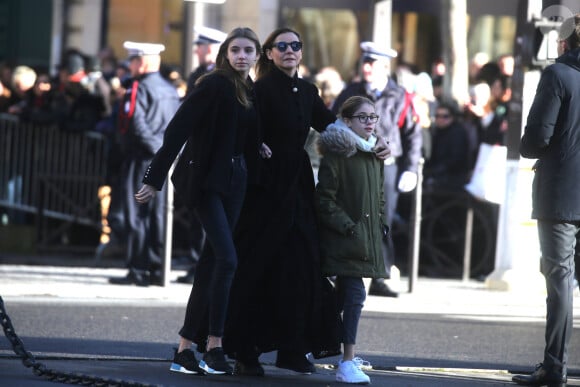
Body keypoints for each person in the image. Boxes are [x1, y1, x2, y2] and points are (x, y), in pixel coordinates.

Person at [134, 27, 262, 375]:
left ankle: (185, 350)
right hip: (206, 181)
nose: (241, 56)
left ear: (257, 55)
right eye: (235, 50)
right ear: (225, 53)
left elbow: (244, 131)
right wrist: (154, 178)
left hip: (235, 180)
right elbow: (177, 130)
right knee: (228, 259)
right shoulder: (213, 84)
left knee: (212, 264)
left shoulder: (247, 87)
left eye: (248, 51)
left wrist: (258, 146)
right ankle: (215, 345)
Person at [511, 14, 580, 387]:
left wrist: (529, 146)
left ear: (565, 43)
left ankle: (554, 367)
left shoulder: (558, 76)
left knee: (560, 283)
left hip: (561, 195)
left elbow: (537, 137)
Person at [333, 41, 423, 298]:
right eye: (364, 62)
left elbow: (413, 135)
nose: (366, 67)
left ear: (384, 66)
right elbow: (333, 122)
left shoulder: (401, 95)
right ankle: (345, 272)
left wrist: (410, 169)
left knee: (381, 221)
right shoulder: (351, 92)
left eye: (372, 63)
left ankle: (380, 276)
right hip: (353, 165)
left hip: (386, 166)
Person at [315, 96, 387, 385]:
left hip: (364, 240)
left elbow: (379, 196)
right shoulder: (338, 154)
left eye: (373, 117)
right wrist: (349, 228)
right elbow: (324, 199)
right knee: (355, 296)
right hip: (345, 240)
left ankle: (315, 343)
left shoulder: (373, 153)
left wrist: (379, 224)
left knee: (340, 299)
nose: (370, 123)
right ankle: (346, 361)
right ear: (346, 121)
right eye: (363, 118)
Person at [108, 41, 180, 286]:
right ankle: (156, 266)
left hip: (142, 158)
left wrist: (155, 150)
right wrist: (166, 153)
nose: (130, 66)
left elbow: (134, 124)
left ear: (144, 62)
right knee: (157, 214)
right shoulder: (170, 89)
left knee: (137, 214)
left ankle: (138, 268)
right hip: (162, 159)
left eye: (133, 60)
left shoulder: (136, 88)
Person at [176, 26, 226, 285]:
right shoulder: (198, 74)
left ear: (212, 49)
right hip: (195, 152)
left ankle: (204, 266)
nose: (196, 50)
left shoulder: (219, 76)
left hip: (213, 155)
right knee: (197, 213)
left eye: (200, 46)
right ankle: (197, 263)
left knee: (210, 216)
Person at [423, 101, 472, 191]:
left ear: (452, 117)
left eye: (445, 116)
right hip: (440, 173)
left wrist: (434, 171)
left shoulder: (458, 132)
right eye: (437, 116)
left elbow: (456, 159)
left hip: (454, 177)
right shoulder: (437, 132)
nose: (440, 119)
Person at [185, 26, 227, 95]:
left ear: (209, 49)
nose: (195, 51)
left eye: (199, 46)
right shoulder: (196, 74)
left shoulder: (224, 75)